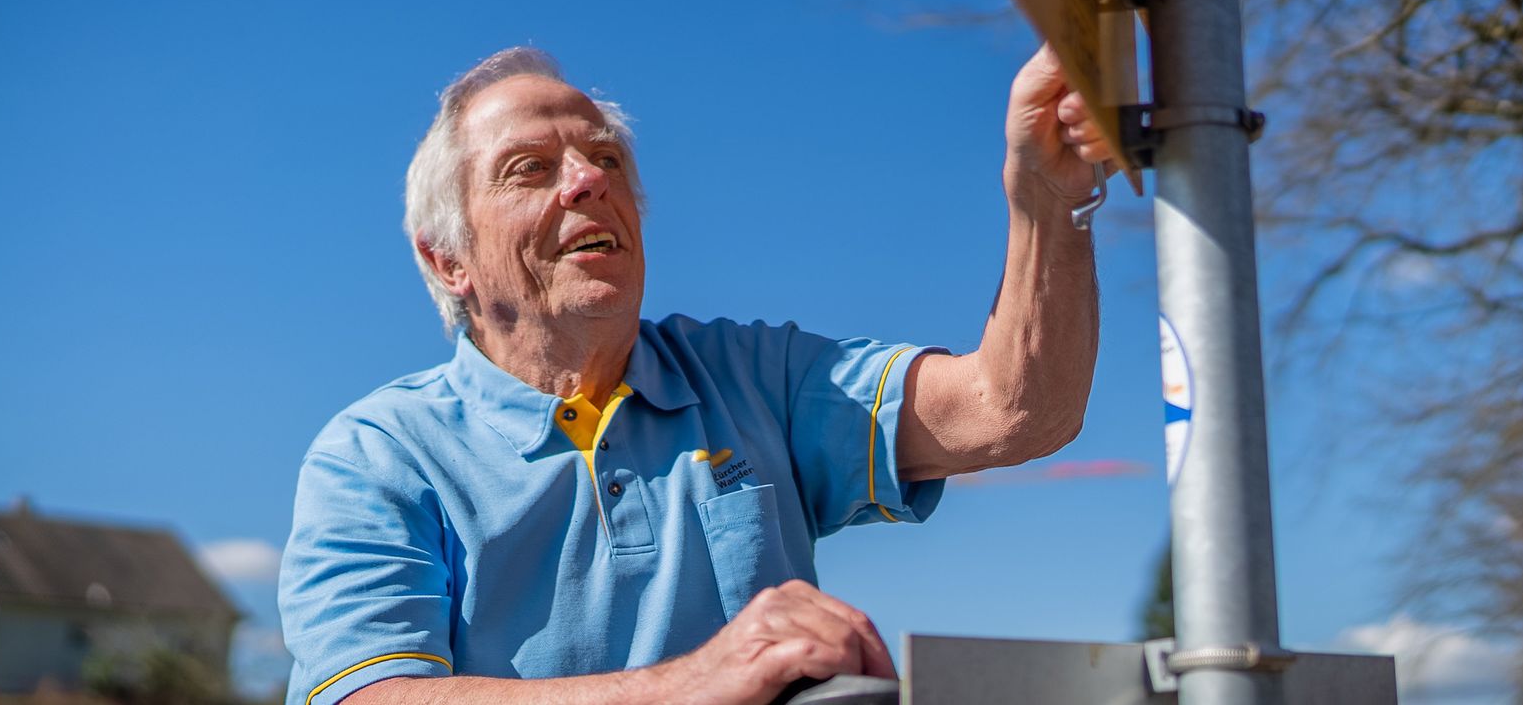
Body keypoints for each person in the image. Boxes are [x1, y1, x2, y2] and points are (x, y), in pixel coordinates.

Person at [279, 45, 1108, 705]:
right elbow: (373, 695)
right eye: (530, 169)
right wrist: (693, 685)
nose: (589, 180)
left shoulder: (753, 378)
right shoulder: (380, 453)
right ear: (448, 259)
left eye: (603, 158)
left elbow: (1013, 409)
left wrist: (1046, 198)